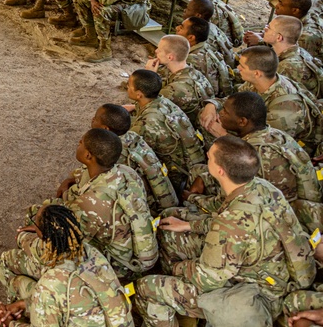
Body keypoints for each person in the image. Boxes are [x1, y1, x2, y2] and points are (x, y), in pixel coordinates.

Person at [135, 135, 314, 327]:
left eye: (210, 157)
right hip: (274, 274)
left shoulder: (229, 224)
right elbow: (230, 219)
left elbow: (207, 280)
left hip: (253, 294)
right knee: (173, 230)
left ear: (220, 171)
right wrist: (189, 225)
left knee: (147, 288)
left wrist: (177, 267)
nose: (206, 156)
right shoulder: (263, 188)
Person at [29, 128, 158, 278]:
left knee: (39, 214)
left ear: (88, 155)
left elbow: (62, 241)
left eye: (81, 142)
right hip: (129, 248)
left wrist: (30, 235)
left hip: (118, 266)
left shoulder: (89, 204)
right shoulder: (125, 171)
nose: (79, 143)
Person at [193, 92, 323, 238]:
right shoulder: (275, 134)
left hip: (272, 223)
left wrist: (194, 199)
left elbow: (228, 202)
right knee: (201, 172)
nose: (220, 114)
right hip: (293, 203)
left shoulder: (250, 155)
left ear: (242, 121)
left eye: (225, 112)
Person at [0, 203, 133, 327]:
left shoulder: (49, 285)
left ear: (42, 236)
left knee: (18, 283)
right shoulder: (92, 254)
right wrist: (26, 305)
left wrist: (11, 323)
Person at [200, 46, 320, 151]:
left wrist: (223, 135)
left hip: (288, 147)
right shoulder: (260, 82)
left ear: (257, 73)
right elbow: (235, 101)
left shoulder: (284, 109)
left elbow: (264, 145)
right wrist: (212, 104)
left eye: (242, 66)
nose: (238, 68)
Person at [125, 69, 206, 190]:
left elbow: (139, 154)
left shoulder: (145, 124)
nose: (127, 86)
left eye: (129, 85)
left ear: (139, 94)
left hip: (176, 178)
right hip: (191, 163)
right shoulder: (165, 102)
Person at [92, 103, 179, 213]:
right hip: (159, 198)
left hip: (143, 207)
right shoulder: (133, 137)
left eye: (95, 119)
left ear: (106, 129)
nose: (92, 120)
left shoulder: (110, 152)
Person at [148, 34, 214, 125]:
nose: (156, 51)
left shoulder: (175, 90)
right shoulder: (194, 72)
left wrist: (150, 76)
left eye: (159, 50)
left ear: (170, 57)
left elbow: (148, 106)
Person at [263, 15, 323, 99]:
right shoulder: (300, 51)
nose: (265, 29)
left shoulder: (285, 68)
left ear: (279, 37)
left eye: (268, 28)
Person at [176, 16, 233, 98]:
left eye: (181, 28)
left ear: (191, 37)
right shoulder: (206, 47)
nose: (176, 28)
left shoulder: (192, 59)